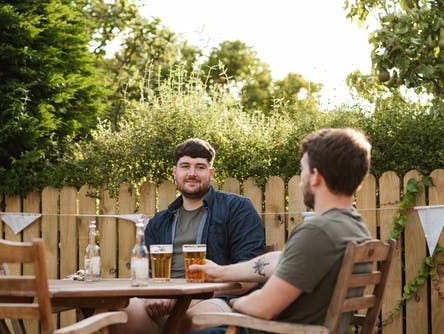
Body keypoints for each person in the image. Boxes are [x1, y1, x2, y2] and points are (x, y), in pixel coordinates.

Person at [190, 128, 373, 332]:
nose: (301, 179)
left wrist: (236, 303)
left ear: (316, 177)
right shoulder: (354, 227)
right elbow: (281, 260)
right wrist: (221, 272)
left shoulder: (318, 232)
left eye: (303, 170)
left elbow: (262, 307)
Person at [120, 138, 265, 334]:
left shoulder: (236, 208)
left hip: (213, 299)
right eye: (185, 166)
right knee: (119, 312)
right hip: (161, 302)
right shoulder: (159, 222)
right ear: (175, 172)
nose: (192, 173)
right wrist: (153, 296)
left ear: (211, 173)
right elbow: (145, 275)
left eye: (200, 167)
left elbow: (250, 275)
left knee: (191, 320)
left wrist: (189, 297)